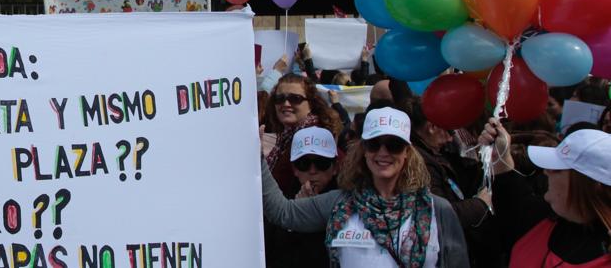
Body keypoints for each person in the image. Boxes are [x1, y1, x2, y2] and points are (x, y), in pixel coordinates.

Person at [262, 106, 469, 267]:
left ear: (407, 152)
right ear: (364, 150)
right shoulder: (339, 203)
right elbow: (283, 212)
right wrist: (257, 157)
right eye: (374, 144)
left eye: (394, 145)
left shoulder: (437, 210)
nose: (383, 152)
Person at [479, 119, 611, 265]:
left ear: (586, 186)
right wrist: (499, 154)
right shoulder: (542, 218)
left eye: (558, 169)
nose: (547, 171)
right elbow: (510, 191)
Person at [408, 101, 498, 267]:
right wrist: (480, 204)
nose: (450, 138)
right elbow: (440, 215)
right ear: (432, 127)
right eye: (449, 130)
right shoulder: (421, 162)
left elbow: (464, 176)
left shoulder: (435, 153)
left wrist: (485, 155)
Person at [265, 126, 341, 267]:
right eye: (304, 164)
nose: (312, 171)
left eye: (321, 163)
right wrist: (295, 220)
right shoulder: (280, 199)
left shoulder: (345, 203)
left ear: (335, 167)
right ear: (294, 169)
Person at [263, 74, 345, 197]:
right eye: (279, 98)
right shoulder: (286, 136)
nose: (286, 103)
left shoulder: (316, 136)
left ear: (311, 103)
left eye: (295, 98)